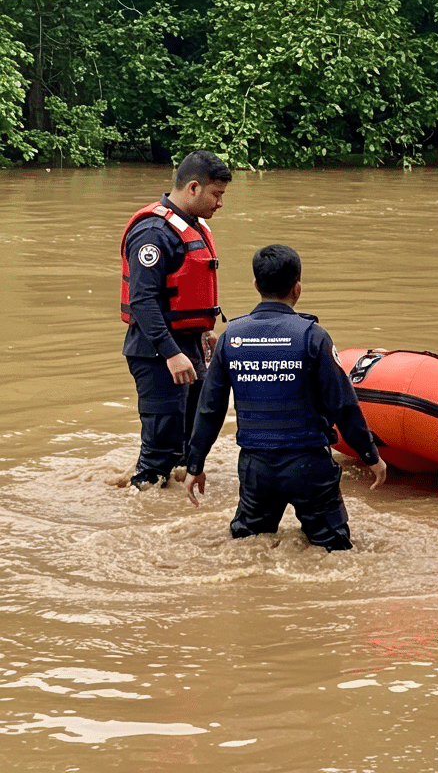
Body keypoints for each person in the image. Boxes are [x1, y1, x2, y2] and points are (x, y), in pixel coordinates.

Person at [184, 245, 386, 551]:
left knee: (249, 546)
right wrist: (371, 456)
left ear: (256, 286)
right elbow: (342, 404)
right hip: (308, 463)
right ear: (298, 288)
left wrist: (195, 464)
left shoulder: (230, 337)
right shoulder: (312, 336)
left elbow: (210, 408)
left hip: (255, 466)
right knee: (334, 549)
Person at [120, 150, 231, 489]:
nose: (220, 203)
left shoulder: (193, 227)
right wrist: (171, 353)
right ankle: (141, 512)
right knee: (160, 453)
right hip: (158, 353)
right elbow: (142, 301)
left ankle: (172, 509)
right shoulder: (154, 232)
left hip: (188, 347)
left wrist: (202, 335)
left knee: (188, 445)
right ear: (194, 188)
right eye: (217, 194)